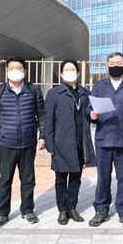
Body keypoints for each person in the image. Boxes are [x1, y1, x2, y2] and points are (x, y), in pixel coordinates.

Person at [0, 56, 45, 228]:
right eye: (12, 67)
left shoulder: (33, 90)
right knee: (5, 180)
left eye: (19, 67)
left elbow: (42, 115)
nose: (16, 70)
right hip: (6, 143)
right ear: (7, 70)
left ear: (24, 70)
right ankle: (2, 213)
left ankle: (27, 210)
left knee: (28, 179)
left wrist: (43, 136)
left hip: (28, 143)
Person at [88, 52, 123, 228]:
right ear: (107, 65)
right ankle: (101, 209)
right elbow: (89, 109)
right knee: (103, 177)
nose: (115, 65)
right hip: (103, 138)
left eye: (119, 63)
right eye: (112, 63)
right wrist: (92, 115)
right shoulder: (99, 86)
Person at [44, 59, 96, 225]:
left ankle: (72, 208)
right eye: (66, 70)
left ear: (78, 73)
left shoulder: (85, 93)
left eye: (73, 69)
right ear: (61, 73)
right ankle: (62, 210)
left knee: (75, 178)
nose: (70, 72)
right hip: (61, 144)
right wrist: (50, 145)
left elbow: (89, 115)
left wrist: (93, 116)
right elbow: (48, 121)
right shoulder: (54, 94)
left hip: (79, 143)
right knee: (60, 179)